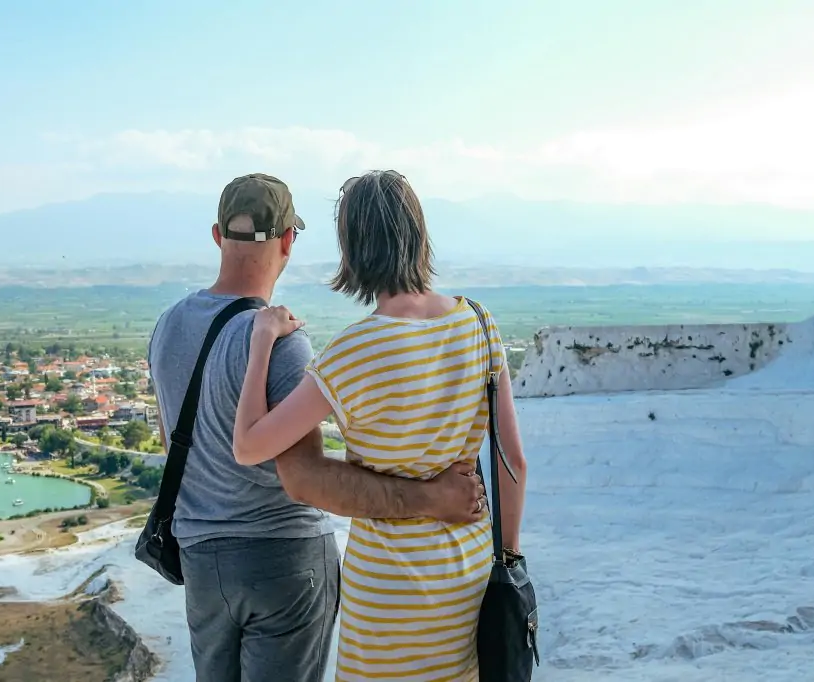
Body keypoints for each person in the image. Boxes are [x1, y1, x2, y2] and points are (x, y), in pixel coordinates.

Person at [147, 172, 488, 682]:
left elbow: (169, 437)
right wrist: (429, 499)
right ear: (288, 241)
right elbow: (303, 476)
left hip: (201, 560)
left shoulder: (167, 325)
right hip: (283, 556)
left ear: (217, 236)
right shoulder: (285, 340)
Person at [233, 170, 528, 681]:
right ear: (417, 234)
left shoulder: (355, 350)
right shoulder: (480, 323)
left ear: (353, 248)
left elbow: (249, 446)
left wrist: (262, 342)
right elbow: (512, 461)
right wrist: (509, 558)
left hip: (389, 585)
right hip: (470, 569)